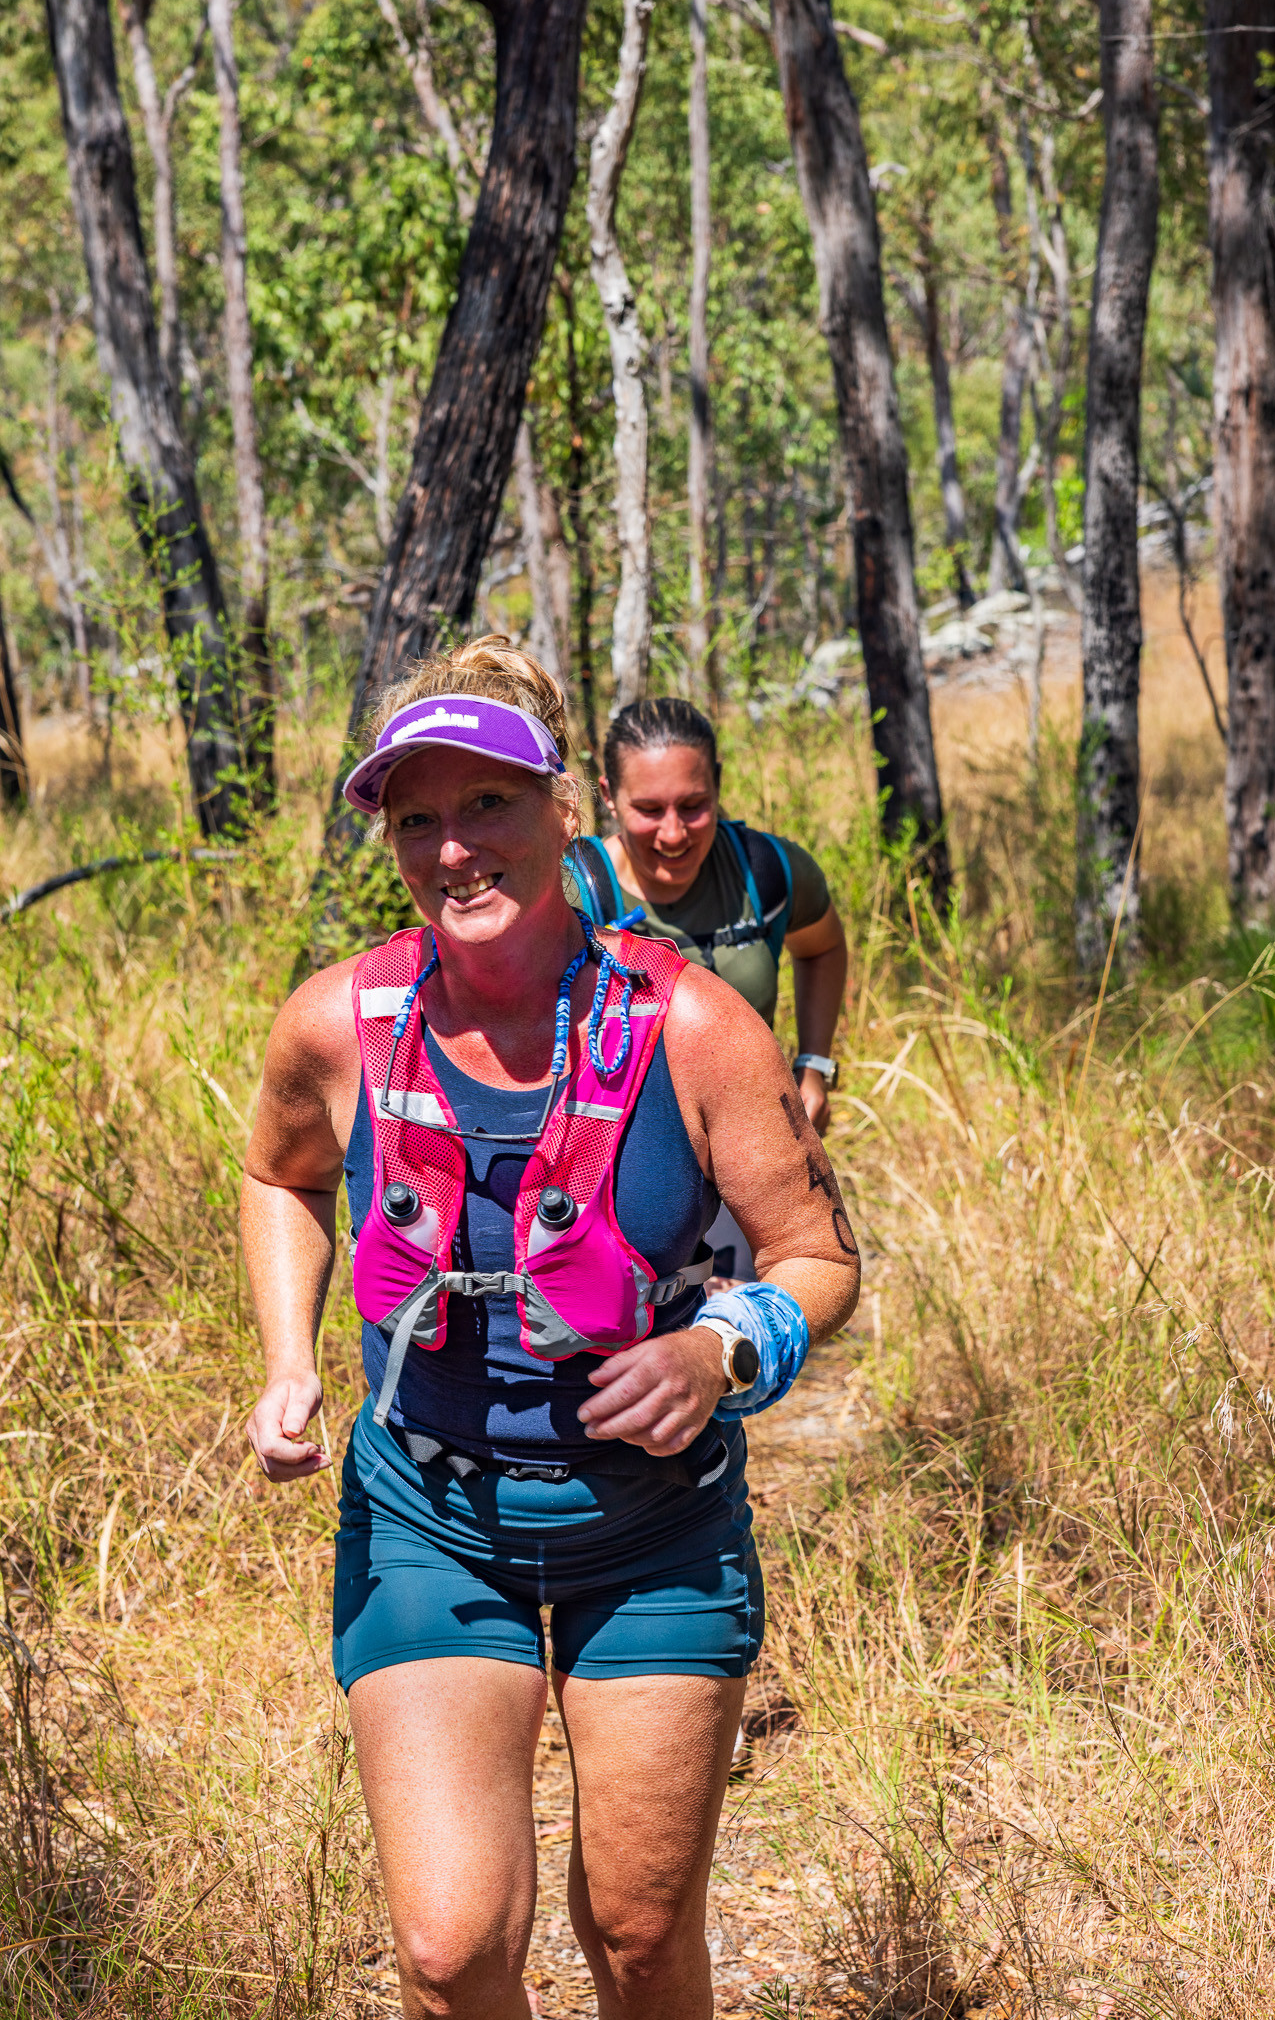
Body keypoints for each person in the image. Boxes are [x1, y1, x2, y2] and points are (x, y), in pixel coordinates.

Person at [241, 637, 859, 2020]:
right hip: (429, 1511)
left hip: (651, 1527)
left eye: (489, 808)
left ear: (559, 809)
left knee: (637, 1938)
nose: (454, 849)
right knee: (452, 1950)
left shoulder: (692, 1029)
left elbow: (816, 1255)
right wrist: (289, 1362)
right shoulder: (340, 1023)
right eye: (418, 819)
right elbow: (281, 1177)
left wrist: (718, 1352)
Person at [566, 697, 848, 1286]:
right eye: (648, 809)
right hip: (605, 1166)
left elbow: (821, 946)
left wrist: (814, 1066)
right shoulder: (571, 890)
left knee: (730, 1346)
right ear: (608, 797)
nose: (673, 834)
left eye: (694, 807)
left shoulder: (767, 872)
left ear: (719, 787)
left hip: (739, 1148)